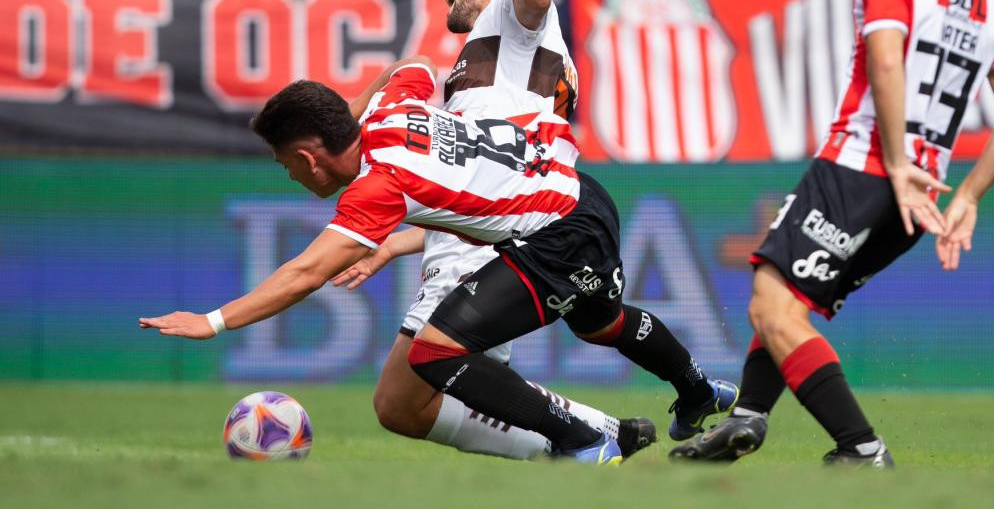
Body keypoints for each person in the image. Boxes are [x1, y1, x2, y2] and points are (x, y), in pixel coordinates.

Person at [141, 55, 738, 463]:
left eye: (287, 164)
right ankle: (699, 390)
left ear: (310, 157)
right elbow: (414, 67)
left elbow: (305, 273)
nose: (292, 177)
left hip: (556, 235)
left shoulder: (377, 185)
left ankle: (583, 441)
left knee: (434, 354)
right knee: (602, 323)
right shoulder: (388, 109)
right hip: (580, 196)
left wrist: (214, 321)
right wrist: (351, 106)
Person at [670, 0, 994, 466]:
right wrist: (967, 195)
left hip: (865, 167)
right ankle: (749, 417)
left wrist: (894, 161)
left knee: (769, 301)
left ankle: (861, 448)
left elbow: (887, 58)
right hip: (921, 198)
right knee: (788, 298)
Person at [327, 0, 654, 461]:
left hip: (496, 233)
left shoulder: (513, 15)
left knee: (414, 385)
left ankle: (585, 441)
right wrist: (395, 241)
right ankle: (598, 435)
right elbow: (473, 174)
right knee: (404, 400)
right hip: (495, 223)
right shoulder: (494, 63)